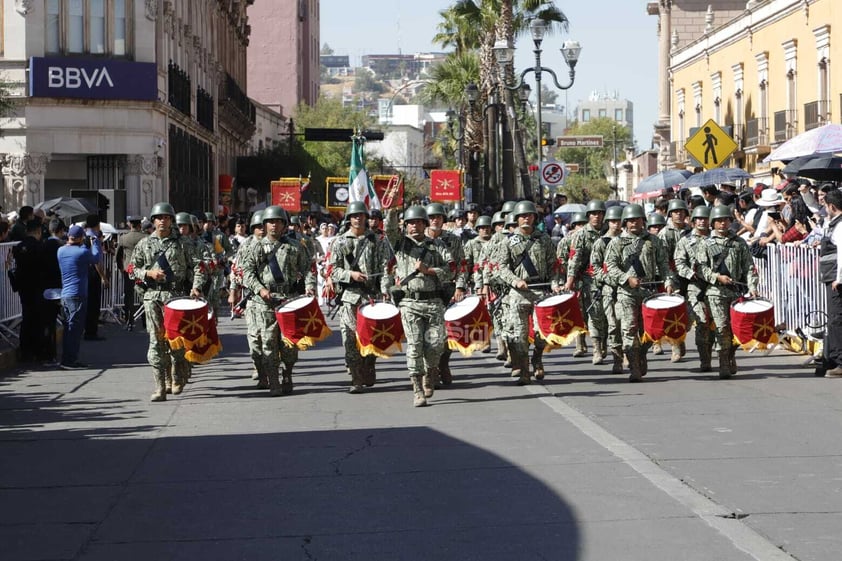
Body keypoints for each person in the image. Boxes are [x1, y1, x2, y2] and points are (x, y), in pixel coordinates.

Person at [129, 202, 206, 401]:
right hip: (153, 298)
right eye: (159, 218)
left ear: (172, 220)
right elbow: (131, 269)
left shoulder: (183, 243)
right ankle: (160, 386)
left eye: (167, 218)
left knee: (176, 341)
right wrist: (148, 272)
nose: (163, 221)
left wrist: (196, 286)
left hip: (176, 297)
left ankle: (176, 375)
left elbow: (198, 266)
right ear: (153, 221)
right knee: (156, 342)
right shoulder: (144, 244)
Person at [240, 206, 315, 396]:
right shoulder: (255, 246)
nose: (274, 225)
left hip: (288, 300)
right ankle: (273, 380)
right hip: (264, 302)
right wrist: (260, 289)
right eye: (270, 222)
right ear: (264, 225)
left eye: (278, 221)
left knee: (289, 342)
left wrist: (309, 286)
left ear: (284, 224)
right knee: (267, 342)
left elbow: (308, 269)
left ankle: (287, 373)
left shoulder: (294, 246)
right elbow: (247, 274)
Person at [389, 205, 453, 407]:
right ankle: (417, 388)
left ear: (425, 224)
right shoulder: (400, 244)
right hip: (409, 303)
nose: (414, 226)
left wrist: (429, 270)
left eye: (418, 222)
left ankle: (430, 372)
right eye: (410, 223)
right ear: (405, 226)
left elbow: (450, 270)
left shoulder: (438, 246)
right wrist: (391, 211)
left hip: (434, 302)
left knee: (435, 346)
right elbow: (389, 230)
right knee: (415, 345)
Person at [605, 204, 676, 382]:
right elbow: (610, 267)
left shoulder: (654, 241)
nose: (634, 223)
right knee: (628, 329)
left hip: (649, 292)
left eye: (637, 219)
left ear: (643, 221)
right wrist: (626, 278)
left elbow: (664, 265)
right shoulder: (616, 242)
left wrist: (668, 282)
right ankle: (634, 365)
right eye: (630, 220)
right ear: (624, 223)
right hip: (626, 292)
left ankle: (642, 353)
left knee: (650, 331)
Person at [493, 200, 561, 384]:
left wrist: (555, 283)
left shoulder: (543, 239)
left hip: (541, 291)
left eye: (529, 215)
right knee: (520, 336)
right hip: (519, 294)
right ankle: (524, 370)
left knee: (542, 334)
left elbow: (553, 266)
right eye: (522, 216)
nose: (526, 218)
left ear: (534, 218)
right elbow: (501, 267)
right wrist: (515, 280)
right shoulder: (508, 241)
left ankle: (537, 357)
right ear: (516, 219)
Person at [329, 202, 392, 393]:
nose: (358, 218)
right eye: (354, 215)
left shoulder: (377, 240)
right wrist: (351, 275)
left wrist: (384, 290)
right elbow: (333, 270)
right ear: (349, 218)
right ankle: (356, 377)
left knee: (371, 337)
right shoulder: (340, 242)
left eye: (361, 215)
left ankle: (369, 365)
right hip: (349, 297)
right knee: (349, 339)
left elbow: (385, 268)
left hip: (371, 297)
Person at [695, 205, 759, 379]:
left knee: (736, 329)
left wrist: (752, 286)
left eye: (725, 220)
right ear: (713, 223)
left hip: (736, 292)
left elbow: (749, 267)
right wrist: (716, 277)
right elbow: (701, 269)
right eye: (718, 221)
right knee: (722, 328)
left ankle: (731, 355)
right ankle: (723, 361)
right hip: (715, 292)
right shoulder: (705, 244)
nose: (722, 223)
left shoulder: (739, 243)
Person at [425, 202, 467, 385]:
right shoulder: (416, 239)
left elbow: (462, 266)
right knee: (425, 335)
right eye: (432, 217)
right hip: (422, 292)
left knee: (445, 333)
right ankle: (430, 369)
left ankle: (443, 363)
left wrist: (460, 287)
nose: (435, 220)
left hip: (446, 291)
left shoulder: (453, 240)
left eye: (439, 217)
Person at [565, 200, 607, 365]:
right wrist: (570, 281)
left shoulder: (610, 232)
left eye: (599, 213)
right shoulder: (581, 235)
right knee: (594, 314)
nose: (596, 217)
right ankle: (596, 349)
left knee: (609, 316)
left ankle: (605, 345)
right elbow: (573, 260)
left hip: (611, 279)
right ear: (588, 216)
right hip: (589, 281)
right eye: (593, 214)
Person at [674, 206, 714, 372]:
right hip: (695, 287)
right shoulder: (685, 241)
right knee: (701, 321)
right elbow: (679, 263)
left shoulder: (716, 239)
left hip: (715, 286)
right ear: (693, 221)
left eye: (705, 218)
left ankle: (710, 355)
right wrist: (690, 274)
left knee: (715, 324)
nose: (702, 221)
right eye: (699, 218)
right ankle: (703, 358)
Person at [57, 224, 102, 369]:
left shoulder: (61, 251)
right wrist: (95, 241)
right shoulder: (81, 252)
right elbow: (96, 258)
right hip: (78, 295)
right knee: (75, 330)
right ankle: (70, 360)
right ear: (81, 238)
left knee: (68, 328)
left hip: (65, 295)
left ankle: (67, 358)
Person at [591, 205, 624, 373]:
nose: (616, 224)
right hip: (609, 290)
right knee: (613, 324)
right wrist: (607, 278)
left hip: (630, 289)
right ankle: (617, 359)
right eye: (612, 221)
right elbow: (594, 267)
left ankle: (633, 355)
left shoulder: (632, 241)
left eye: (619, 221)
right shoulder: (601, 243)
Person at [658, 199, 692, 363]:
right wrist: (668, 280)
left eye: (682, 211)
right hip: (674, 276)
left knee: (690, 314)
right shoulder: (665, 233)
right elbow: (663, 260)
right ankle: (676, 345)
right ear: (670, 213)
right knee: (674, 314)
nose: (679, 214)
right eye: (675, 211)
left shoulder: (691, 232)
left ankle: (682, 337)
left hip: (691, 276)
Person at [11, 220, 44, 362]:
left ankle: (25, 350)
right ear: (38, 231)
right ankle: (37, 350)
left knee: (26, 317)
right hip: (37, 286)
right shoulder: (39, 246)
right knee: (37, 319)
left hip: (23, 286)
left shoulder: (18, 247)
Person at [819, 189, 842, 378]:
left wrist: (839, 278)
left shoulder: (840, 226)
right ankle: (834, 359)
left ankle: (840, 362)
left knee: (836, 320)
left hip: (837, 280)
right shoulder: (833, 224)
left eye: (826, 206)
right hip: (833, 277)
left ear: (832, 206)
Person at [41, 218, 66, 364]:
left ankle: (48, 354)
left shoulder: (43, 245)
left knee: (48, 324)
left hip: (45, 288)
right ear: (61, 230)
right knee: (66, 322)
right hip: (61, 287)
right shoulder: (61, 247)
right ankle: (65, 355)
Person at [116, 216, 147, 330]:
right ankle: (145, 321)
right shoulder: (145, 237)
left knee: (128, 296)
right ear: (140, 225)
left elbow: (118, 255)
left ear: (130, 225)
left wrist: (120, 267)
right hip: (142, 270)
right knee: (143, 296)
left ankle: (129, 321)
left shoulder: (124, 238)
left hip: (128, 269)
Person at [83, 215, 108, 341]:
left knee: (88, 303)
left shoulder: (83, 237)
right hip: (93, 274)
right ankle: (91, 332)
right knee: (94, 303)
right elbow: (97, 260)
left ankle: (87, 329)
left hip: (84, 273)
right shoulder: (94, 239)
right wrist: (103, 277)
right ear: (97, 225)